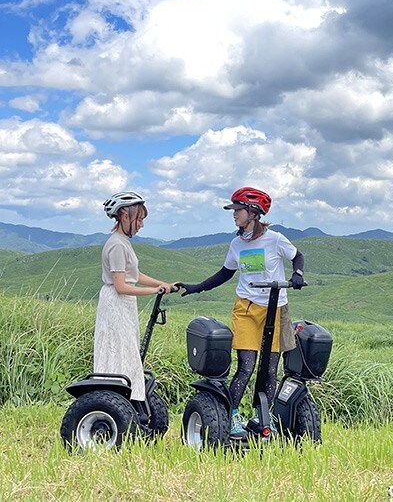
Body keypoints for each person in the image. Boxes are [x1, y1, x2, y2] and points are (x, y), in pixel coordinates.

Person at [179, 186, 305, 437]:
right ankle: (231, 416)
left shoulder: (275, 239)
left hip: (276, 309)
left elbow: (297, 256)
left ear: (254, 212)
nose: (234, 214)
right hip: (246, 309)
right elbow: (226, 273)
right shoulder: (237, 244)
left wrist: (297, 274)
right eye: (234, 210)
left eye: (238, 210)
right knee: (246, 367)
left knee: (270, 370)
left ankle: (261, 417)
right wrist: (198, 288)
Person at [96, 191, 175, 414]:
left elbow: (135, 275)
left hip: (123, 304)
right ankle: (119, 402)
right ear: (123, 215)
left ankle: (125, 403)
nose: (140, 224)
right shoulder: (117, 245)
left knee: (125, 350)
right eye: (138, 219)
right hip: (116, 303)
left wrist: (165, 284)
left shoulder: (122, 242)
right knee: (121, 351)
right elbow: (121, 286)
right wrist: (154, 290)